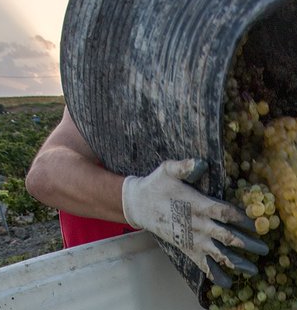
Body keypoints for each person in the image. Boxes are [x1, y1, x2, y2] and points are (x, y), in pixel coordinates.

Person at [25, 106, 267, 289]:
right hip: (103, 296)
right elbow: (44, 175)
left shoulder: (210, 105)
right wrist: (135, 199)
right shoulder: (103, 88)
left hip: (180, 301)